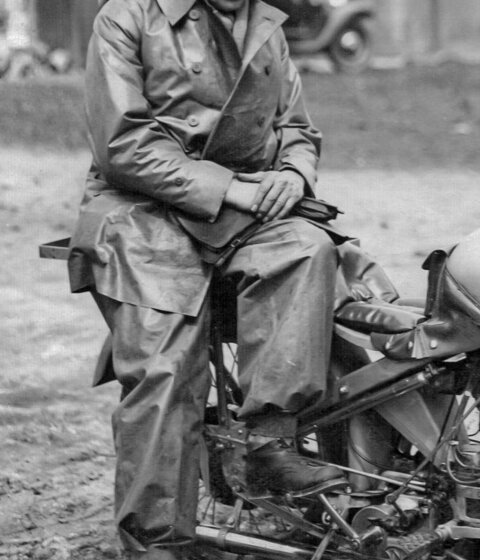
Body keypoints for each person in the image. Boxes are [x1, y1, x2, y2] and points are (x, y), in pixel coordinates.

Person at [66, 0, 393, 558]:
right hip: (141, 212)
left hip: (243, 209)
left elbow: (297, 128)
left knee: (307, 249)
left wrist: (292, 175)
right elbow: (122, 145)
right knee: (167, 370)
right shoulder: (128, 15)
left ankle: (268, 444)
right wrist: (231, 189)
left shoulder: (266, 25)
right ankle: (157, 544)